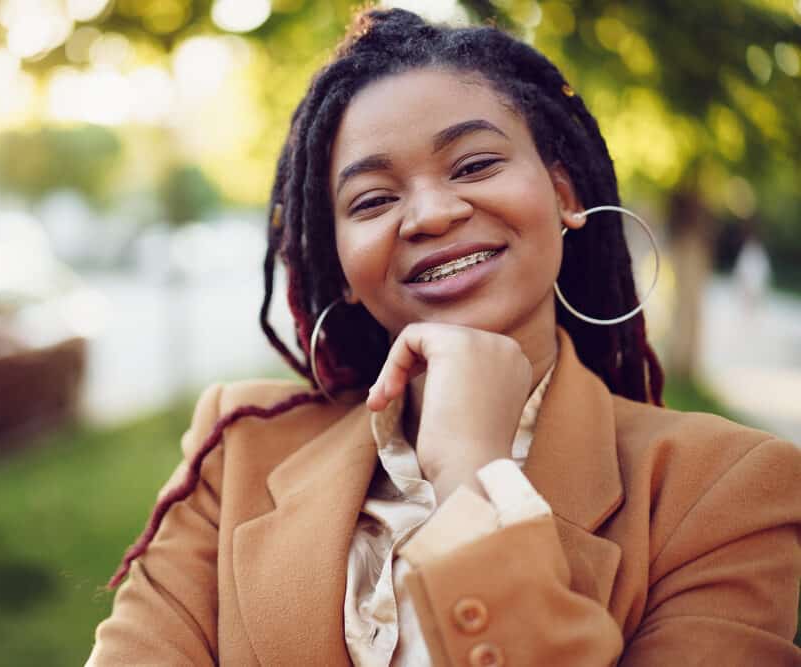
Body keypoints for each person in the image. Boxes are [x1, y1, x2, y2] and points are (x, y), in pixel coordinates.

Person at [86, 8, 801, 665]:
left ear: (564, 195)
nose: (428, 213)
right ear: (336, 265)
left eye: (475, 164)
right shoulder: (233, 451)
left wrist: (473, 479)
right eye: (372, 199)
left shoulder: (727, 491)